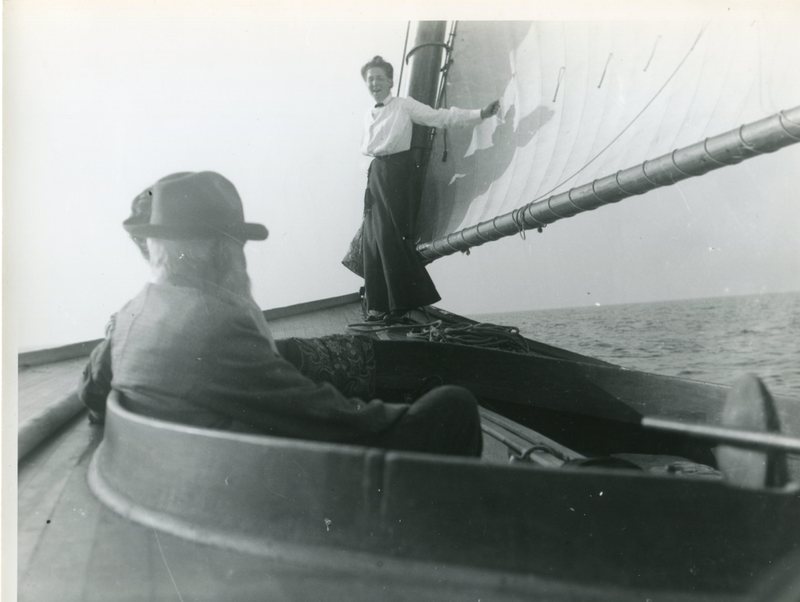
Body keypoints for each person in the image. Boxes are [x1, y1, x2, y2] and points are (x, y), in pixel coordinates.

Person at [78, 171, 482, 457]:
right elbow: (324, 419)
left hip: (184, 467)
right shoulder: (214, 326)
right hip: (253, 494)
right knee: (454, 406)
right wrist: (402, 416)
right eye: (236, 244)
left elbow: (91, 391)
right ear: (219, 251)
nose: (240, 256)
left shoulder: (131, 316)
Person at [359, 55, 500, 321]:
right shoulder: (368, 113)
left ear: (390, 81)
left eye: (379, 78)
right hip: (376, 174)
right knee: (372, 239)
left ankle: (404, 304)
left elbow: (440, 118)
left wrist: (479, 114)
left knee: (392, 237)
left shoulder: (403, 106)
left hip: (398, 174)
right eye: (370, 80)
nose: (375, 83)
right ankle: (379, 304)